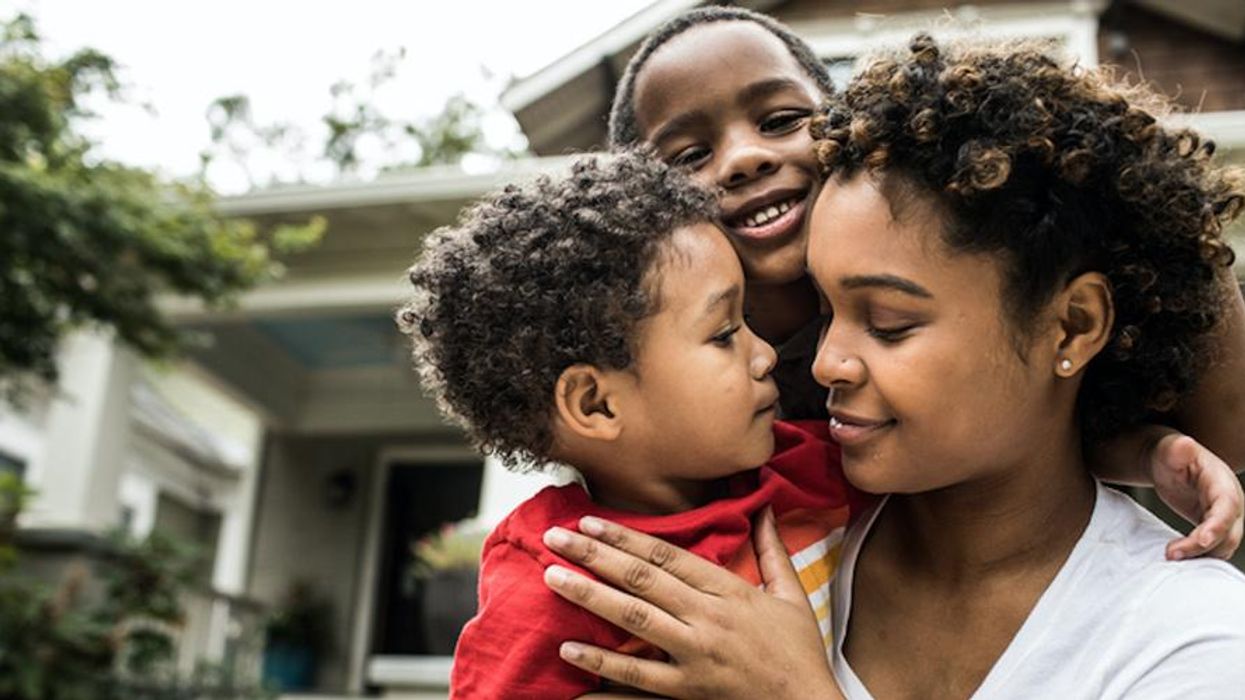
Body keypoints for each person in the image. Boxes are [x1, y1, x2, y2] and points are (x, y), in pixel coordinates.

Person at [539, 36, 1245, 699]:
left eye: (889, 323)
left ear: (1075, 324)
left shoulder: (1186, 636)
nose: (823, 363)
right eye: (822, 306)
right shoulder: (761, 531)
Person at [604, 6, 1245, 559]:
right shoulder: (665, 367)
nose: (744, 158)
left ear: (846, 127)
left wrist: (1145, 448)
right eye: (689, 156)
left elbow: (1023, 419)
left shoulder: (970, 257)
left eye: (779, 120)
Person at [398, 152, 864, 698]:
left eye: (748, 323)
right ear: (596, 404)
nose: (764, 355)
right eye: (722, 334)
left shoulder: (811, 469)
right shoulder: (558, 579)